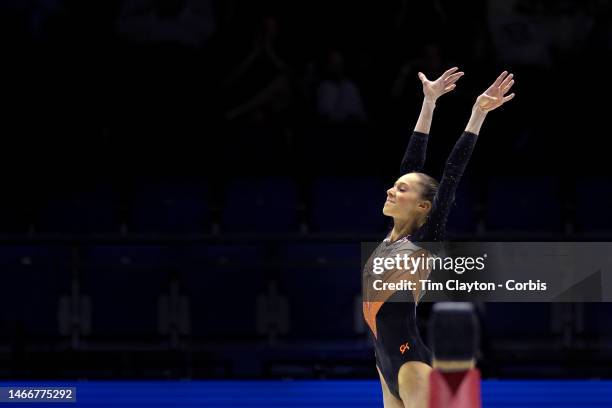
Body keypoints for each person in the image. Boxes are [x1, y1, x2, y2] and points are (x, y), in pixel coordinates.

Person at [362, 68, 515, 408]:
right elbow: (412, 162)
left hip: (410, 364)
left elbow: (451, 175)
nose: (390, 189)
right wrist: (429, 102)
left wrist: (477, 114)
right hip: (385, 364)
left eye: (401, 189)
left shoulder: (424, 239)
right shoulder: (392, 236)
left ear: (422, 205)